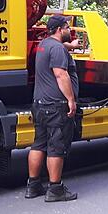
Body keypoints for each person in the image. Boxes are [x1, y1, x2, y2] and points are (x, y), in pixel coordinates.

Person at [25, 14, 79, 202]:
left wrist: (70, 47)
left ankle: (33, 185)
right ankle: (55, 189)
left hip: (39, 104)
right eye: (66, 27)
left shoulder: (44, 45)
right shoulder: (57, 49)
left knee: (38, 144)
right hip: (55, 105)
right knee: (56, 146)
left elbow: (57, 47)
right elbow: (60, 75)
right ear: (59, 30)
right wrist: (71, 100)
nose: (69, 31)